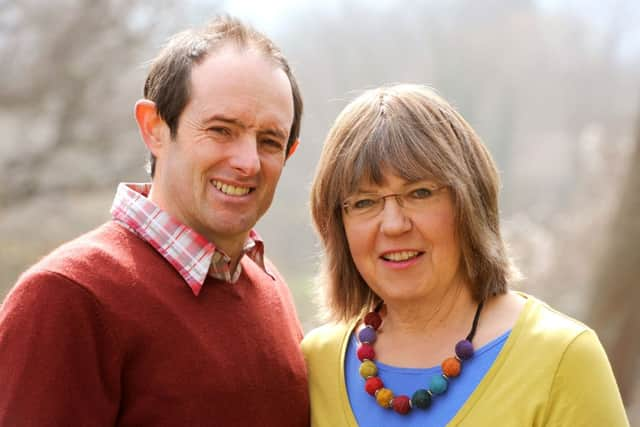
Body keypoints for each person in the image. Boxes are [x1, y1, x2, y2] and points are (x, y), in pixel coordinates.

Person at [0, 16, 309, 426]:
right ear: (154, 128)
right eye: (221, 130)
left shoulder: (270, 288)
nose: (248, 162)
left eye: (269, 141)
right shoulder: (68, 297)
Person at [302, 84, 629, 426]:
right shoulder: (317, 364)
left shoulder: (562, 358)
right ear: (338, 225)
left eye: (420, 193)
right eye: (365, 202)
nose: (394, 225)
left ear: (469, 204)